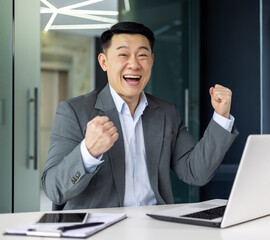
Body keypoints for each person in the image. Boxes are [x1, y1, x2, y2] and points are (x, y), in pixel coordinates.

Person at [41, 22, 238, 210]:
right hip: (100, 228)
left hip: (156, 225)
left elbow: (196, 172)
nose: (134, 64)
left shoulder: (166, 113)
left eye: (142, 55)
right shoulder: (73, 112)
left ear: (151, 61)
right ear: (104, 62)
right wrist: (88, 152)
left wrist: (221, 117)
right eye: (123, 55)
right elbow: (54, 189)